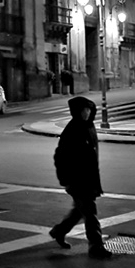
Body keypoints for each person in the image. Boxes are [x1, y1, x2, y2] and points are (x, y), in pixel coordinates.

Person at [50, 96, 111, 259]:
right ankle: (96, 246)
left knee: (79, 211)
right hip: (77, 180)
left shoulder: (88, 127)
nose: (86, 113)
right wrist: (65, 180)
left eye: (88, 110)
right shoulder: (72, 130)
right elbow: (60, 157)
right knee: (90, 213)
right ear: (76, 112)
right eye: (83, 110)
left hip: (88, 179)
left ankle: (59, 231)